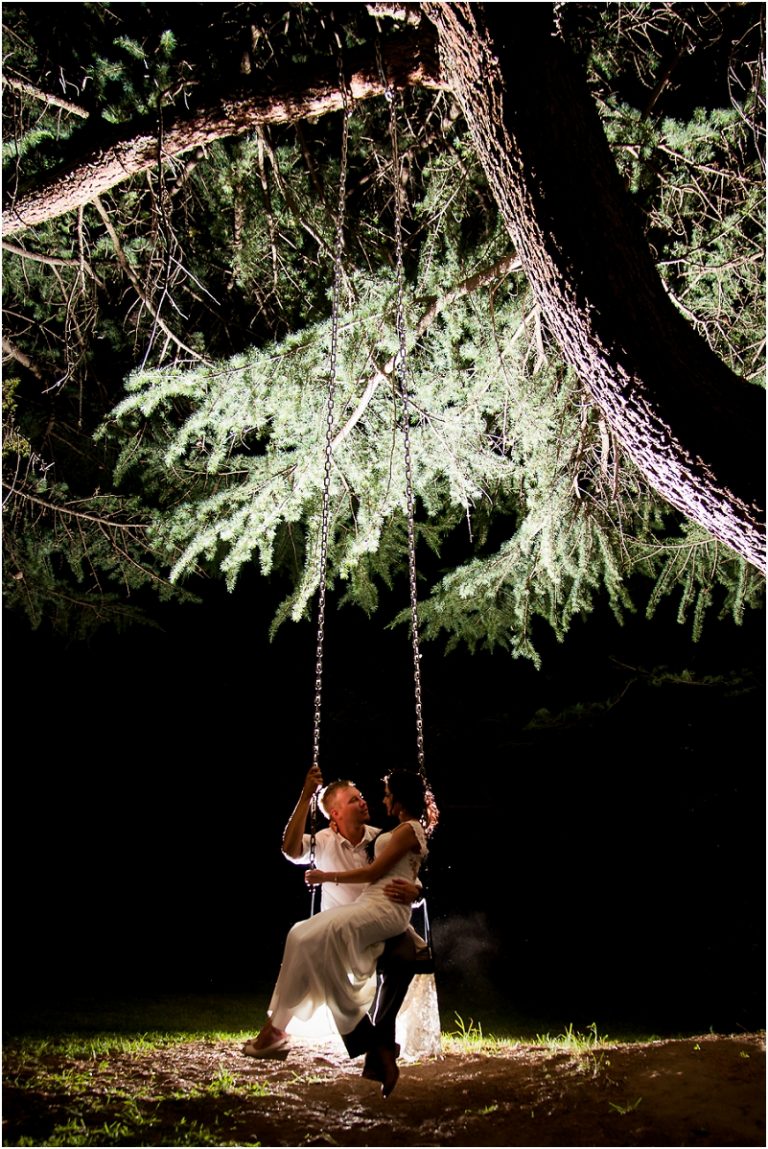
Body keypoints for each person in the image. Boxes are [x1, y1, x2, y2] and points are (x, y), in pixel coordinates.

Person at [242, 769, 438, 1097]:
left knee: (404, 958)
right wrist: (306, 796)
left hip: (381, 920)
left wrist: (417, 892)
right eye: (353, 800)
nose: (365, 802)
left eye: (363, 797)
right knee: (308, 943)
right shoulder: (323, 841)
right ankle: (369, 1044)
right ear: (335, 814)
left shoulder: (379, 837)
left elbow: (407, 870)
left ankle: (378, 1043)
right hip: (350, 920)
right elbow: (290, 849)